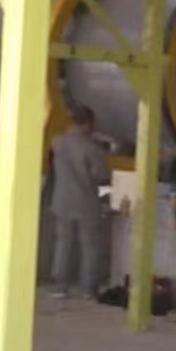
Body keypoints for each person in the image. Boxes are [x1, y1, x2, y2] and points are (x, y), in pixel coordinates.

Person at [49, 105, 109, 298]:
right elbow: (101, 176)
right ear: (88, 123)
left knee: (63, 243)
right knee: (89, 245)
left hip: (62, 200)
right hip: (86, 202)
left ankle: (60, 286)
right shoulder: (92, 148)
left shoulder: (57, 142)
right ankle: (88, 288)